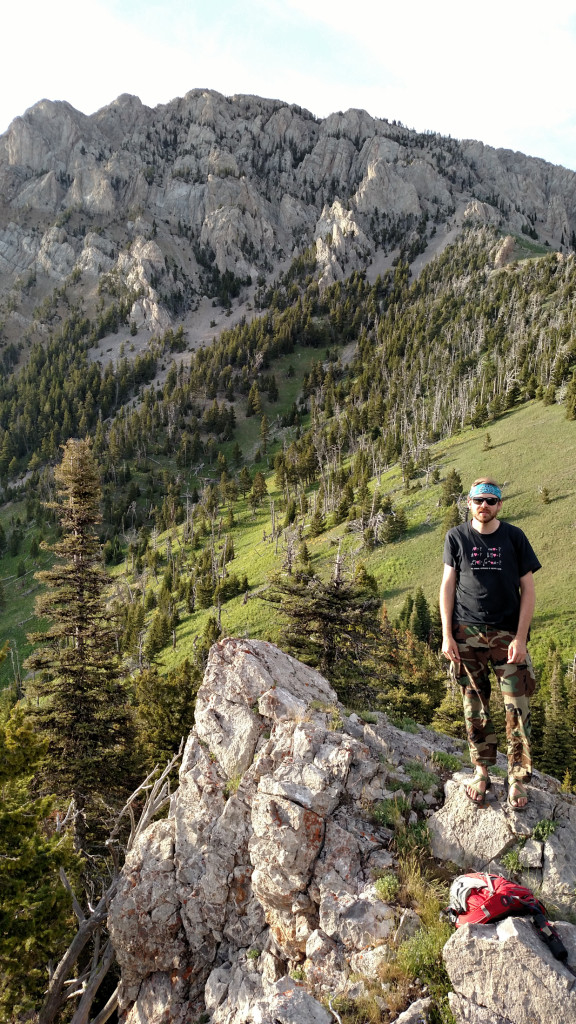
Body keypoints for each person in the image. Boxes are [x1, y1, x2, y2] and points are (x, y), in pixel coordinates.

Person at [439, 477, 541, 809]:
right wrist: (446, 635)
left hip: (507, 635)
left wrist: (522, 638)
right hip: (466, 633)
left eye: (491, 501)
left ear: (500, 505)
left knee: (518, 706)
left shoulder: (514, 537)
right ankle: (481, 770)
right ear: (468, 503)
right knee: (474, 706)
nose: (484, 506)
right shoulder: (456, 537)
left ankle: (517, 778)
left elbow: (529, 589)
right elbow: (447, 586)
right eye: (478, 500)